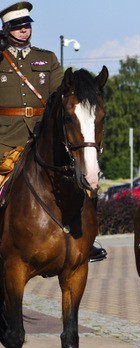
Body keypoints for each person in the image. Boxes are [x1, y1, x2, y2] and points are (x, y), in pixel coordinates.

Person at [0, 2, 106, 262]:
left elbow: (63, 97)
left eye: (27, 25)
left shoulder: (47, 59)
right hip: (5, 139)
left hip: (41, 137)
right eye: (17, 26)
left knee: (83, 178)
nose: (24, 30)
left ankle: (87, 237)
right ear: (6, 29)